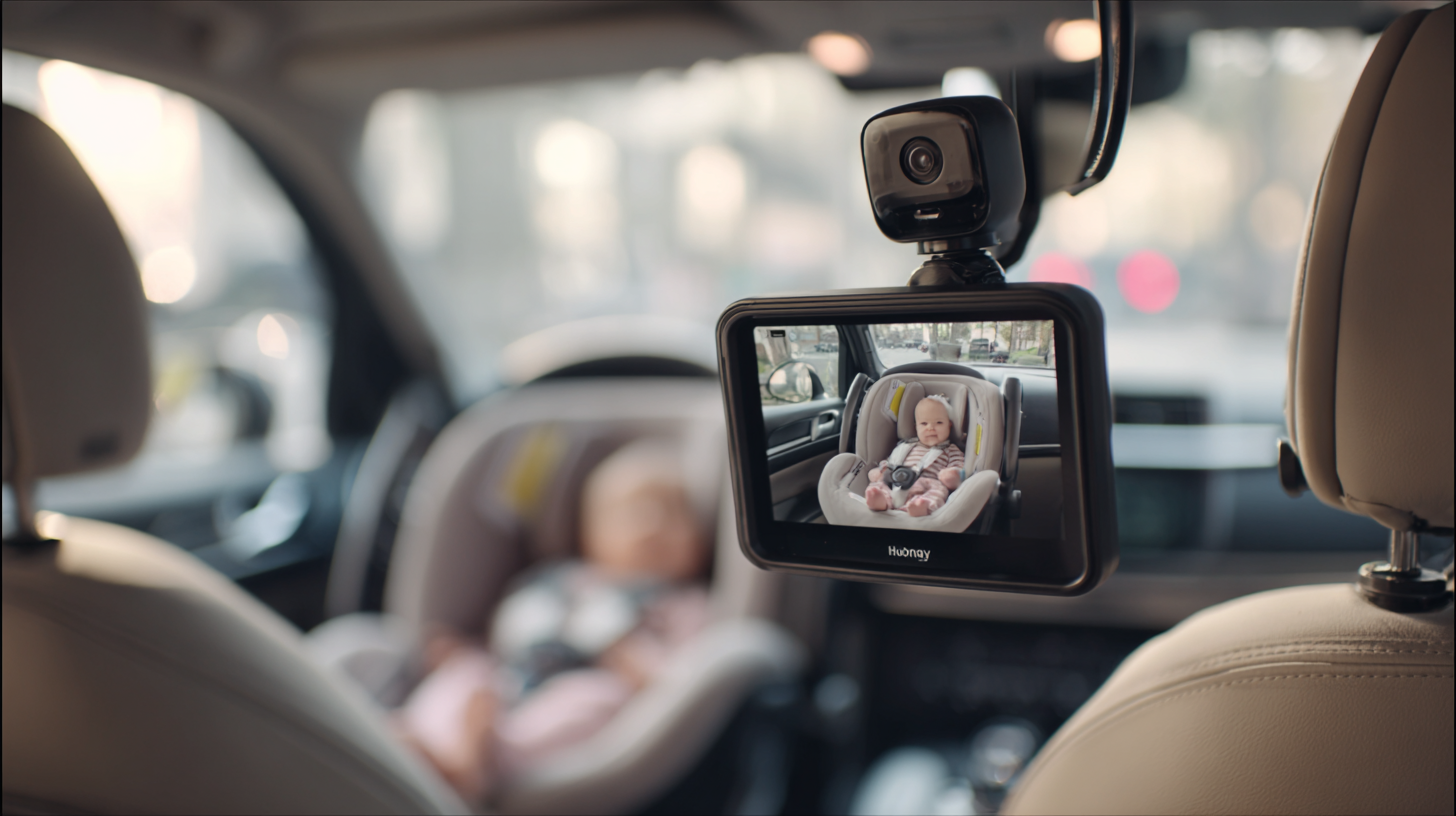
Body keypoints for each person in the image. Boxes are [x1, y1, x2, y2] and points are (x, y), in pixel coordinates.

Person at [395, 439, 710, 804]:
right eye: (634, 511)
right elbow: (509, 637)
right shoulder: (562, 581)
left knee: (593, 702)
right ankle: (430, 745)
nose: (653, 524)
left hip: (595, 681)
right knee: (465, 676)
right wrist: (464, 649)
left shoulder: (681, 603)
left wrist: (636, 661)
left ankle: (490, 760)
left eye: (674, 511)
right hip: (511, 678)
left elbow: (687, 682)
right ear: (589, 534)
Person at [864, 394, 966, 517]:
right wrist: (881, 469)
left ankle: (921, 506)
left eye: (939, 422)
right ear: (916, 427)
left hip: (928, 483)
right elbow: (890, 461)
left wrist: (952, 476)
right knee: (881, 484)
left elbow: (959, 467)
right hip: (897, 479)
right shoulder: (905, 446)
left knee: (939, 491)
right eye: (924, 423)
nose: (930, 428)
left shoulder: (951, 449)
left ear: (949, 425)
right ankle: (881, 500)